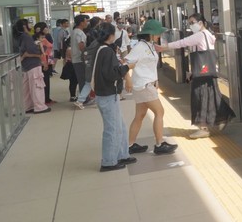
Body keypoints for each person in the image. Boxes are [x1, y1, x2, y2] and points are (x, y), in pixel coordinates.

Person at [155, 13, 220, 138]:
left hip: (201, 75)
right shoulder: (209, 35)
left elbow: (183, 42)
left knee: (199, 98)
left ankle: (203, 128)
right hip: (208, 72)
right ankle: (214, 122)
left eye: (193, 22)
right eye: (189, 23)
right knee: (209, 98)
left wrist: (164, 47)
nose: (191, 25)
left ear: (201, 23)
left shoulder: (200, 35)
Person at [125, 19, 177, 155]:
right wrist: (128, 79)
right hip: (144, 85)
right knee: (160, 112)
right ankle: (159, 144)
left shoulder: (149, 45)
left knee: (140, 115)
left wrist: (156, 80)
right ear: (151, 34)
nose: (159, 35)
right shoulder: (140, 47)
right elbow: (125, 63)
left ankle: (130, 145)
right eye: (158, 33)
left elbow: (148, 65)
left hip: (146, 84)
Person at [89, 22, 137, 172]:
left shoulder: (101, 49)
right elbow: (111, 74)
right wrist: (127, 68)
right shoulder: (106, 52)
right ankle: (108, 162)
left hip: (107, 94)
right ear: (110, 35)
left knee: (120, 126)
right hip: (107, 94)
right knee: (112, 129)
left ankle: (122, 154)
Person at [14, 19, 50, 115]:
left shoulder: (20, 37)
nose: (31, 25)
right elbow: (32, 49)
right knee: (37, 86)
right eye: (29, 23)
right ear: (25, 26)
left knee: (26, 88)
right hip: (33, 64)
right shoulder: (27, 37)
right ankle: (39, 107)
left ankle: (27, 106)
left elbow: (25, 51)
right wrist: (41, 50)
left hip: (26, 65)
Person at [34, 22, 56, 105]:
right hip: (44, 61)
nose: (47, 28)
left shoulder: (46, 36)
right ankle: (45, 99)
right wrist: (44, 63)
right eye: (45, 27)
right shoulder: (40, 39)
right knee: (44, 81)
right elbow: (42, 52)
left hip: (48, 60)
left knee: (46, 80)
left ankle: (47, 98)